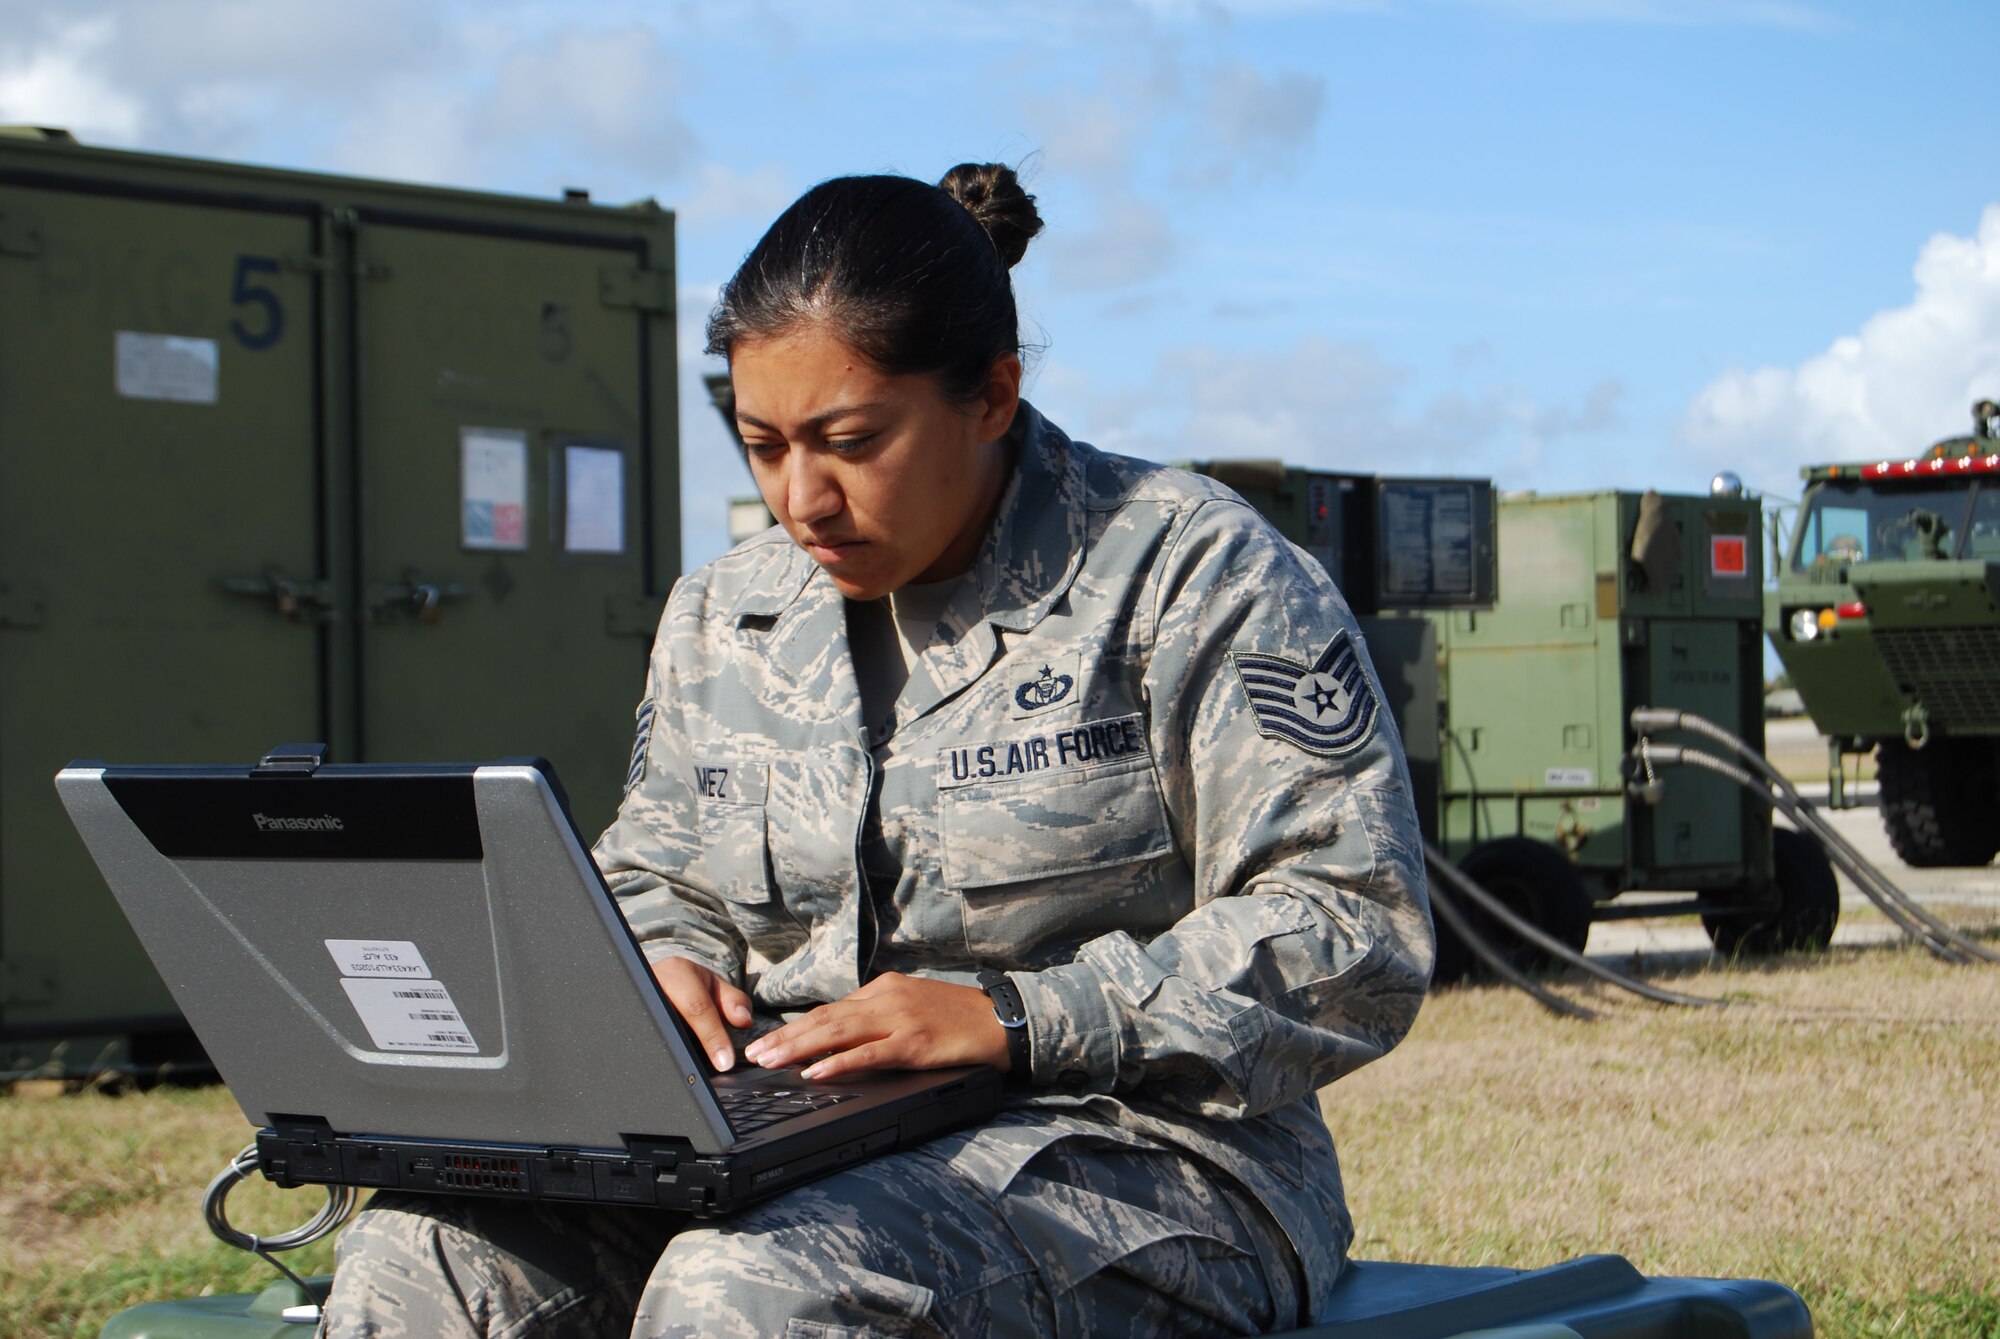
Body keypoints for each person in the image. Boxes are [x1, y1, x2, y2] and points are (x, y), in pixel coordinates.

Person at [318, 163, 1433, 1338]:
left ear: (992, 395)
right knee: (420, 1262)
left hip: (1141, 1148)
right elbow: (660, 874)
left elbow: (1348, 924)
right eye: (760, 442)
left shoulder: (1185, 574)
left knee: (749, 1297)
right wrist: (654, 959)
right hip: (773, 1142)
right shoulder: (724, 614)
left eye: (848, 440)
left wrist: (1015, 1018)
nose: (801, 498)